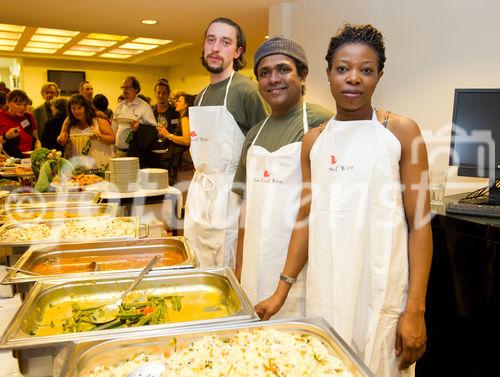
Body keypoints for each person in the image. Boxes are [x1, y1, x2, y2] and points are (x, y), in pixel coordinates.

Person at [256, 24, 432, 377]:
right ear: (328, 73)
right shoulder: (314, 141)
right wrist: (281, 290)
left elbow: (420, 225)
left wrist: (415, 310)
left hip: (382, 294)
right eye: (343, 68)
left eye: (366, 70)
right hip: (327, 291)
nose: (354, 78)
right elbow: (305, 218)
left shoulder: (399, 131)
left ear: (379, 76)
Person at [232, 36, 332, 318]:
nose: (273, 79)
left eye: (283, 69)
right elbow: (245, 207)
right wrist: (239, 268)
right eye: (264, 73)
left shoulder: (321, 123)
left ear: (302, 76)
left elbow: (322, 205)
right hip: (255, 262)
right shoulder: (254, 133)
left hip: (298, 267)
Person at [184, 17, 267, 268]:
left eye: (225, 42)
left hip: (231, 195)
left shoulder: (247, 92)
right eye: (211, 40)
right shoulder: (200, 97)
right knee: (197, 259)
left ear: (237, 51)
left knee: (226, 264)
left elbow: (262, 149)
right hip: (200, 192)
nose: (216, 47)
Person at [57, 94, 115, 170]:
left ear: (86, 108)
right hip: (80, 168)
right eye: (73, 108)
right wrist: (61, 139)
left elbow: (112, 140)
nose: (76, 111)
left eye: (79, 108)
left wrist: (98, 136)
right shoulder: (70, 122)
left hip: (101, 166)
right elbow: (61, 139)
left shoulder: (98, 120)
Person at [111, 76, 157, 157]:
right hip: (119, 152)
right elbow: (114, 130)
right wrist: (112, 152)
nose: (125, 90)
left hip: (136, 153)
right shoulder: (119, 106)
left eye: (128, 87)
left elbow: (154, 129)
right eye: (123, 88)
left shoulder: (144, 106)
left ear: (136, 89)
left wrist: (139, 127)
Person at [156, 92, 194, 184]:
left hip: (183, 161)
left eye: (179, 101)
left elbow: (187, 140)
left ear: (186, 105)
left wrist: (168, 135)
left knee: (181, 188)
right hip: (182, 159)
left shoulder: (185, 118)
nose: (176, 102)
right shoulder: (183, 117)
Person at [0, 89, 41, 157]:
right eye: (18, 104)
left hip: (28, 160)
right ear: (8, 103)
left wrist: (38, 147)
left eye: (25, 105)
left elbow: (36, 139)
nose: (22, 108)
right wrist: (6, 136)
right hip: (8, 162)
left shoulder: (28, 117)